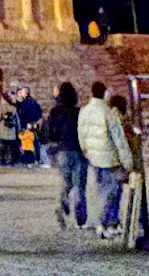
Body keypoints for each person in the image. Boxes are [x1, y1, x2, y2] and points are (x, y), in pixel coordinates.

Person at [78, 81, 133, 239]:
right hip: (110, 159)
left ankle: (110, 222)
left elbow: (81, 133)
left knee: (102, 190)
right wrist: (127, 161)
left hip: (93, 158)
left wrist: (86, 150)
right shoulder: (109, 113)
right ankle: (106, 223)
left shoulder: (84, 111)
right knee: (112, 193)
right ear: (104, 93)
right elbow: (119, 139)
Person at [44, 82, 88, 229]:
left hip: (62, 150)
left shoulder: (54, 112)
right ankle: (80, 217)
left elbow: (48, 132)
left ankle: (61, 204)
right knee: (79, 184)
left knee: (65, 181)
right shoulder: (78, 112)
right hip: (78, 150)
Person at [15, 86, 44, 165]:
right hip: (33, 123)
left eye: (23, 92)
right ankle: (37, 158)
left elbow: (24, 114)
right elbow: (40, 111)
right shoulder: (33, 101)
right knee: (34, 141)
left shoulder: (26, 102)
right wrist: (36, 120)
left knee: (27, 141)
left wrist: (26, 122)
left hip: (27, 124)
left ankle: (28, 158)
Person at [0, 90, 19, 166]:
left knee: (2, 146)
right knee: (10, 147)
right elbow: (16, 118)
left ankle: (2, 160)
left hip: (3, 128)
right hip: (11, 129)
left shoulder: (2, 107)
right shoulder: (14, 107)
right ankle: (9, 160)